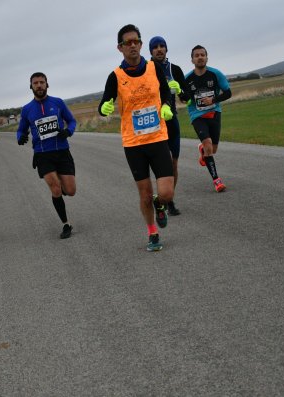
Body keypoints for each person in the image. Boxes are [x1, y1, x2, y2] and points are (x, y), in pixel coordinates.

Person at [98, 24, 175, 252]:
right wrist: (104, 109)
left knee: (166, 192)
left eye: (136, 41)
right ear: (119, 48)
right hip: (133, 143)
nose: (132, 45)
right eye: (127, 43)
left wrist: (167, 107)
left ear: (141, 44)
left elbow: (165, 93)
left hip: (158, 137)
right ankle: (152, 232)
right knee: (143, 193)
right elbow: (104, 103)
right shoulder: (115, 76)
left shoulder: (154, 68)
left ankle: (160, 205)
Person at [16, 72, 77, 239]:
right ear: (31, 86)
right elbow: (21, 129)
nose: (39, 85)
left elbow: (72, 121)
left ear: (47, 84)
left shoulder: (57, 103)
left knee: (70, 191)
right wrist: (20, 137)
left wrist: (68, 131)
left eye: (42, 82)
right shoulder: (27, 109)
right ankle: (66, 224)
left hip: (62, 151)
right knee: (55, 188)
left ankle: (62, 185)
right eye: (35, 83)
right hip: (42, 154)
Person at [149, 35, 191, 216]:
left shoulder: (175, 69)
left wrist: (180, 90)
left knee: (173, 164)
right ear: (150, 51)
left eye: (162, 46)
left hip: (171, 122)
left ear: (166, 49)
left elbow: (187, 98)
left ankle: (169, 199)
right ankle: (164, 200)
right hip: (154, 124)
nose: (159, 49)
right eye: (155, 47)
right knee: (162, 165)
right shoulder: (146, 69)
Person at [185, 45, 232, 192]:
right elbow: (183, 97)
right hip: (197, 115)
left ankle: (203, 151)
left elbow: (228, 93)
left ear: (206, 57)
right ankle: (217, 181)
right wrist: (183, 98)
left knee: (213, 149)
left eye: (202, 55)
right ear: (192, 59)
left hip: (214, 113)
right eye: (196, 55)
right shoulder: (187, 79)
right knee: (208, 144)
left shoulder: (215, 74)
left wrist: (213, 100)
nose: (200, 57)